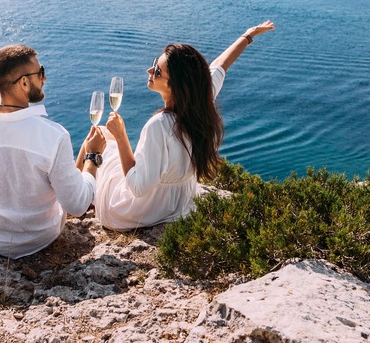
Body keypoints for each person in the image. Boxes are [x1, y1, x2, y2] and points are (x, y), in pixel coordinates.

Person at [92, 21, 275, 231]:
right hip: (177, 206)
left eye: (158, 71)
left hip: (135, 213)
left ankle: (75, 200)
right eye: (154, 63)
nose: (149, 70)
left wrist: (122, 136)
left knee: (101, 137)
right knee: (105, 140)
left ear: (176, 85)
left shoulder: (158, 126)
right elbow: (220, 66)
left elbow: (137, 187)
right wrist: (248, 35)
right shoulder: (201, 103)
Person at [0, 44, 106, 268]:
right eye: (41, 73)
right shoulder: (53, 135)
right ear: (24, 82)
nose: (44, 78)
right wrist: (93, 156)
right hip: (39, 240)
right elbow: (77, 205)